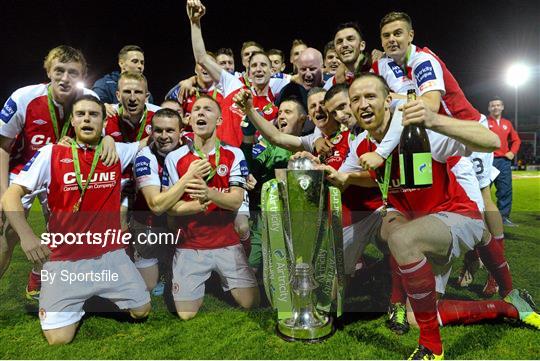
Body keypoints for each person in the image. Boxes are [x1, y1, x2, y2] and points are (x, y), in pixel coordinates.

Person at [346, 73, 538, 359]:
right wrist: (332, 175)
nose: (363, 103)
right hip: (421, 229)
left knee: (402, 237)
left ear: (389, 101)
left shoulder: (421, 132)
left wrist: (434, 120)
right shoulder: (360, 143)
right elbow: (358, 176)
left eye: (370, 96)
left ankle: (432, 348)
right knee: (391, 234)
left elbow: (489, 140)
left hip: (455, 215)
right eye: (355, 99)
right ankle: (511, 306)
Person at [372, 11, 509, 300]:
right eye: (386, 35)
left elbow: (430, 105)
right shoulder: (384, 64)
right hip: (434, 140)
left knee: (478, 203)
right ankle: (461, 259)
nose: (392, 39)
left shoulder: (423, 60)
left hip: (464, 132)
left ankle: (498, 276)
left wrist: (389, 101)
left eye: (398, 33)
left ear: (411, 35)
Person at [1, 95, 151, 344]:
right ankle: (63, 286)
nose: (87, 119)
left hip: (110, 257)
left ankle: (94, 291)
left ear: (103, 122)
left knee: (142, 311)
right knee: (59, 339)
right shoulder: (52, 153)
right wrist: (27, 236)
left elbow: (152, 140)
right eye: (80, 114)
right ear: (72, 120)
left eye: (94, 114)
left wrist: (109, 140)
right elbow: (11, 197)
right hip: (65, 260)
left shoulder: (116, 153)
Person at [0, 45, 106, 300]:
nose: (65, 78)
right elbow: (2, 147)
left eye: (73, 72)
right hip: (22, 170)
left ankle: (38, 278)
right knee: (8, 232)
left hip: (60, 177)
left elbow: (99, 136)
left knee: (60, 235)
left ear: (82, 75)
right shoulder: (23, 98)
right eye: (59, 70)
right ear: (48, 71)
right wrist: (3, 194)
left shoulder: (89, 100)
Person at [165, 95, 259, 320]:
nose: (200, 113)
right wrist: (196, 206)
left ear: (218, 120)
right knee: (186, 314)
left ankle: (240, 257)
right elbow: (170, 207)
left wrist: (209, 194)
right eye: (196, 109)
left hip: (226, 241)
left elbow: (236, 200)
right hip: (191, 244)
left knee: (251, 303)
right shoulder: (175, 158)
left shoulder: (233, 154)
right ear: (189, 119)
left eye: (207, 109)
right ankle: (184, 272)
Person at [104, 72, 161, 234]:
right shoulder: (104, 118)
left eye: (138, 92)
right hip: (114, 185)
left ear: (147, 96)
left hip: (147, 185)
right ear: (118, 95)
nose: (132, 97)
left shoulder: (159, 116)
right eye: (127, 92)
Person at [488, 96, 521, 226]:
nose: (495, 107)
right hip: (488, 161)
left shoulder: (507, 123)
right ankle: (479, 218)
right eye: (493, 105)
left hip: (503, 162)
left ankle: (503, 218)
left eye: (498, 105)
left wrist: (512, 152)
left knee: (505, 190)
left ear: (502, 107)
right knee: (482, 189)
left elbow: (516, 140)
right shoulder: (484, 122)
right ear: (489, 108)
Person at [92, 45, 154, 112]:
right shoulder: (104, 85)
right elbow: (94, 108)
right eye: (135, 61)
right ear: (121, 63)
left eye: (142, 63)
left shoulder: (146, 92)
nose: (140, 66)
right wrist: (102, 107)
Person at [324, 22, 371, 89]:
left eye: (350, 39)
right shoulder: (330, 84)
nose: (344, 45)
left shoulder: (380, 68)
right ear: (336, 50)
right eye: (339, 42)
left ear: (362, 45)